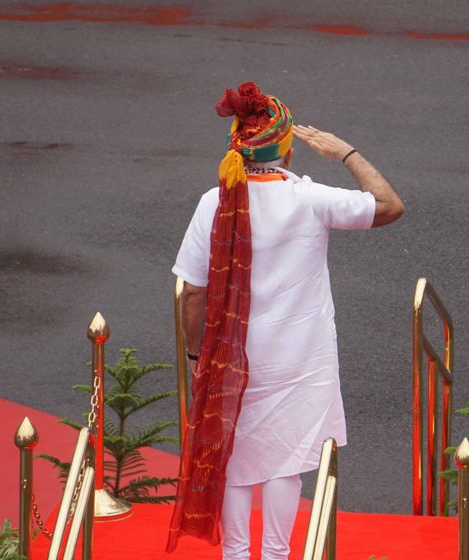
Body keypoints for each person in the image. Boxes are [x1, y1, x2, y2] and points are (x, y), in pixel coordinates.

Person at [167, 81, 404, 560]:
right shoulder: (309, 199)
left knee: (232, 460)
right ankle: (275, 554)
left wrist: (197, 354)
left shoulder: (212, 204)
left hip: (231, 359)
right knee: (284, 463)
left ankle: (235, 554)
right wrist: (346, 152)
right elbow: (388, 205)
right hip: (301, 361)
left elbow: (193, 292)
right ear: (287, 149)